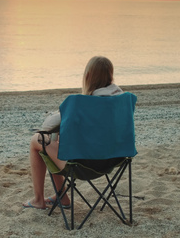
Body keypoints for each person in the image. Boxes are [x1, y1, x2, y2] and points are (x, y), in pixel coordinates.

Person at [23, 56, 124, 209]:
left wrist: (56, 115)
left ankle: (39, 200)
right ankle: (61, 197)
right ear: (111, 75)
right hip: (115, 159)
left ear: (88, 76)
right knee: (56, 142)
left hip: (84, 165)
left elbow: (49, 125)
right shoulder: (122, 100)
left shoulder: (82, 104)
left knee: (38, 140)